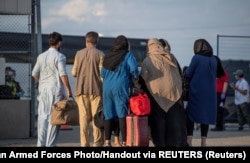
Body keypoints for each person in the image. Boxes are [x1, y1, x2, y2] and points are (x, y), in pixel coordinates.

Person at [139, 38, 188, 147]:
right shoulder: (170, 57)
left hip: (157, 96)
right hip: (174, 94)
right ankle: (175, 143)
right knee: (174, 121)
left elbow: (142, 78)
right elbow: (179, 74)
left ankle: (160, 144)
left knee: (158, 121)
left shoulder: (148, 60)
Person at [32, 32, 73, 147]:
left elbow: (34, 73)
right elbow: (63, 74)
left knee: (42, 118)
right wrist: (69, 90)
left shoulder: (41, 56)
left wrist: (41, 81)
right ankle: (51, 145)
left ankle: (40, 144)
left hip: (43, 90)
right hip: (55, 90)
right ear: (59, 43)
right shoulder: (60, 57)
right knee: (55, 118)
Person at [100, 35, 139, 147]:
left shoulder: (108, 55)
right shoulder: (127, 55)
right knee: (122, 114)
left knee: (108, 114)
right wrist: (135, 77)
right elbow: (134, 69)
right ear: (126, 45)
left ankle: (107, 142)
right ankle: (123, 142)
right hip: (120, 87)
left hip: (106, 88)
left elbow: (102, 73)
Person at [71, 31, 104, 147]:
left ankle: (84, 145)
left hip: (81, 90)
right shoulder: (100, 54)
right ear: (97, 41)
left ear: (86, 40)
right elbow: (102, 75)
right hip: (96, 91)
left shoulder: (78, 54)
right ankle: (98, 144)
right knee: (97, 119)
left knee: (83, 120)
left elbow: (74, 72)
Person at [185, 39, 217, 147]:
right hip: (210, 93)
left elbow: (189, 73)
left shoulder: (196, 58)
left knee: (190, 115)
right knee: (205, 116)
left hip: (197, 91)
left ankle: (189, 141)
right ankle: (203, 142)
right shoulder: (214, 59)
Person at [211, 56, 229, 131]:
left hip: (220, 94)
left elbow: (225, 83)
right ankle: (219, 125)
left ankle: (219, 126)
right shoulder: (214, 72)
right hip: (215, 93)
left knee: (219, 110)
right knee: (217, 110)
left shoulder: (223, 73)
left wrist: (223, 93)